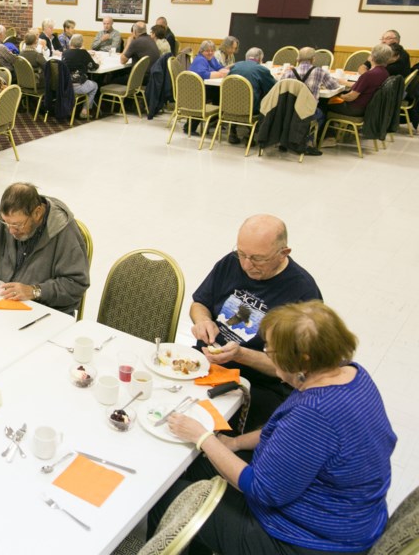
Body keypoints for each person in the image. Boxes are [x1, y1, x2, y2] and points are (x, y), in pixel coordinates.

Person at [153, 301, 396, 555]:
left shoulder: (314, 413)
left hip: (308, 539)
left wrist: (202, 437)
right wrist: (234, 443)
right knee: (194, 465)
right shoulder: (351, 374)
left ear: (302, 360)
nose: (267, 354)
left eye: (272, 350)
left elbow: (261, 489)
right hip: (351, 515)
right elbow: (284, 433)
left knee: (168, 497)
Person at [190, 214, 322, 430]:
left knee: (206, 434)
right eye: (242, 254)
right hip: (205, 365)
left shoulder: (303, 293)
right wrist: (203, 320)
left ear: (283, 253)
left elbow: (296, 369)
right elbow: (199, 303)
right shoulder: (231, 263)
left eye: (258, 259)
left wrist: (241, 355)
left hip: (259, 386)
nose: (246, 265)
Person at [0, 182, 89, 316]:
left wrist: (34, 291)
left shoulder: (64, 232)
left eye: (17, 225)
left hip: (47, 312)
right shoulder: (7, 217)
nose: (10, 230)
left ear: (37, 213)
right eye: (6, 223)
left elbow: (76, 284)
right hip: (4, 303)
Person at [279, 46, 347, 132]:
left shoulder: (289, 72)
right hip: (308, 112)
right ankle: (313, 137)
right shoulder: (319, 71)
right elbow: (334, 86)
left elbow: (280, 88)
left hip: (289, 110)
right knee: (323, 110)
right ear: (313, 59)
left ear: (298, 59)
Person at [226, 47, 277, 144]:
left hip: (230, 106)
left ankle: (233, 131)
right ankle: (250, 135)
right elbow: (272, 88)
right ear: (260, 59)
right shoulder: (261, 70)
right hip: (251, 108)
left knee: (238, 96)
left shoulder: (234, 67)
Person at [331, 43, 392, 117]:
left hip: (354, 108)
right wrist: (344, 82)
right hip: (368, 108)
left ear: (373, 57)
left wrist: (338, 96)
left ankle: (324, 127)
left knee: (323, 101)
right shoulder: (385, 73)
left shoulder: (368, 75)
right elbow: (365, 86)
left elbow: (350, 97)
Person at [62, 34, 99, 118]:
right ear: (81, 43)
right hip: (77, 86)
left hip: (65, 85)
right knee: (95, 85)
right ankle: (84, 111)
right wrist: (98, 62)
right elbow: (93, 67)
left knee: (89, 84)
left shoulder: (65, 53)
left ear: (71, 42)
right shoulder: (83, 53)